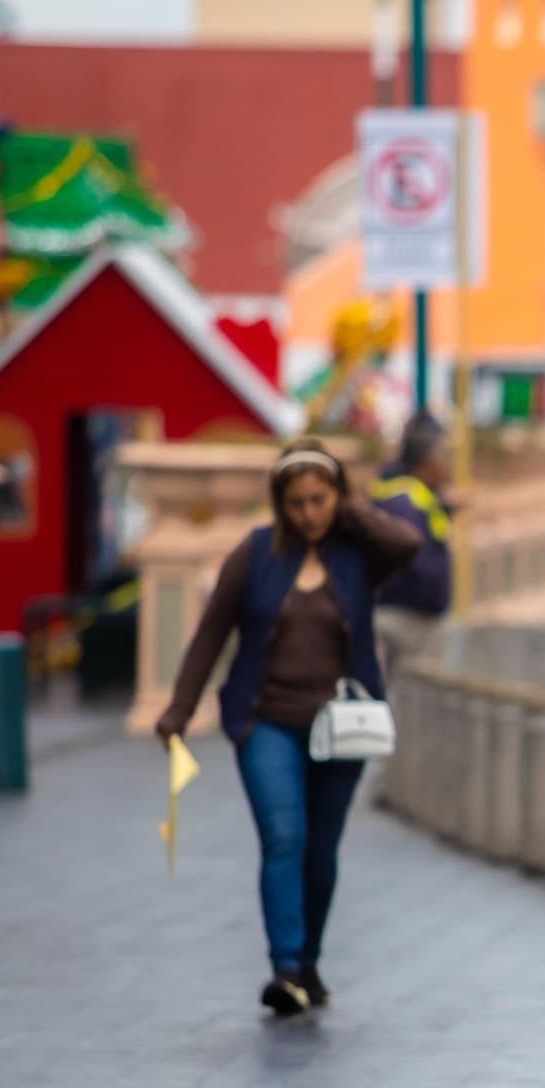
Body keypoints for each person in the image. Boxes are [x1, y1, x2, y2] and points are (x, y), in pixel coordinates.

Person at [157, 440, 421, 1018]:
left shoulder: (356, 556)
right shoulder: (254, 556)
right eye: (297, 502)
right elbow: (210, 635)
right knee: (284, 837)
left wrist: (349, 511)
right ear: (279, 504)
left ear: (336, 498)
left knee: (320, 849)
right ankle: (284, 967)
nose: (308, 513)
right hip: (266, 722)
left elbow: (408, 544)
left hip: (341, 728)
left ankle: (308, 960)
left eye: (320, 500)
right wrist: (180, 707)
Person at [371, 413, 460, 674]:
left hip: (401, 611)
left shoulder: (402, 494)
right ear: (428, 462)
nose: (446, 465)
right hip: (411, 618)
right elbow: (417, 562)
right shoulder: (407, 504)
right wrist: (435, 602)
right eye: (443, 456)